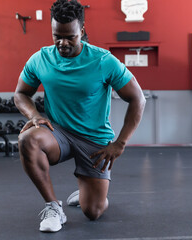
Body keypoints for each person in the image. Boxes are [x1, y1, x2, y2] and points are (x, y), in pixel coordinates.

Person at [14, 0, 146, 233]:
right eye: (57, 36)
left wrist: (120, 143)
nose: (62, 43)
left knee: (93, 212)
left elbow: (138, 99)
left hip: (94, 140)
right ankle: (53, 206)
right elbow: (21, 94)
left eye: (70, 37)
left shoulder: (103, 60)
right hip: (58, 134)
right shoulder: (41, 59)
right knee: (27, 139)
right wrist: (33, 115)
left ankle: (90, 191)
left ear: (82, 32)